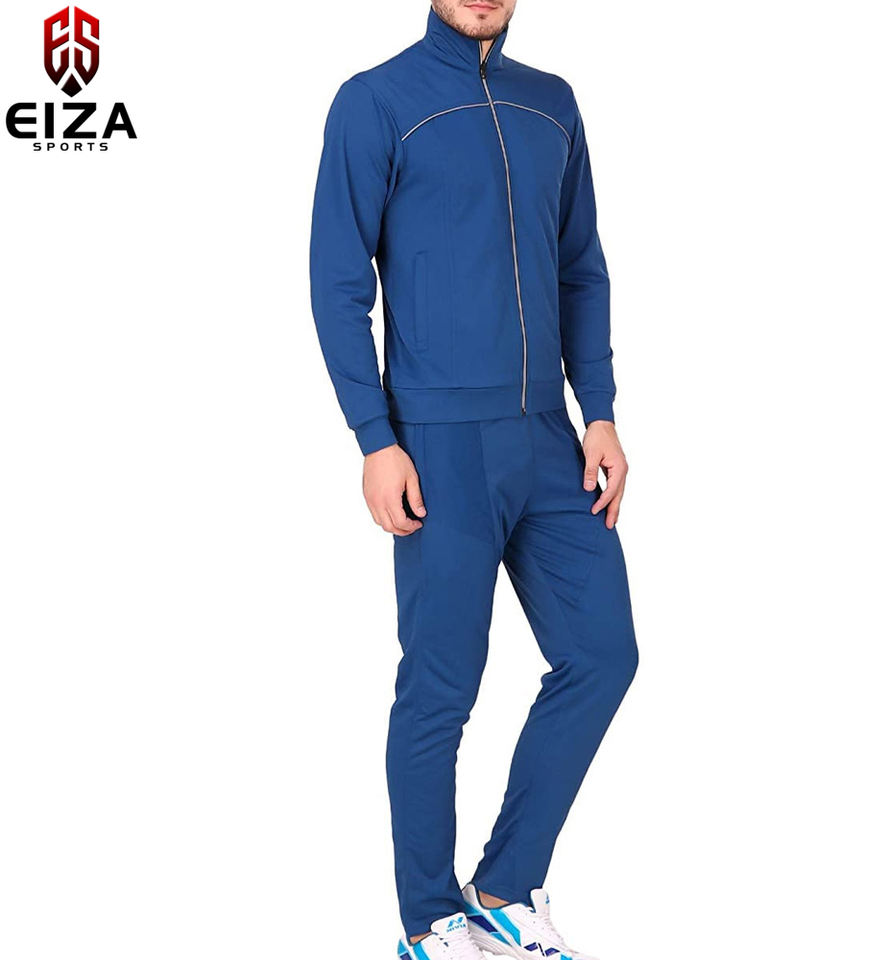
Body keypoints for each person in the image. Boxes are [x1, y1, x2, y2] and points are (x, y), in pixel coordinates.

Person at [310, 2, 637, 957]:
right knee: (442, 687)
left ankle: (503, 884)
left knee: (603, 654)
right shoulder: (376, 101)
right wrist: (375, 438)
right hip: (438, 441)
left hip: (548, 437)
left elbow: (580, 269)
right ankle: (427, 920)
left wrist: (600, 409)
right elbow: (337, 280)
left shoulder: (553, 103)